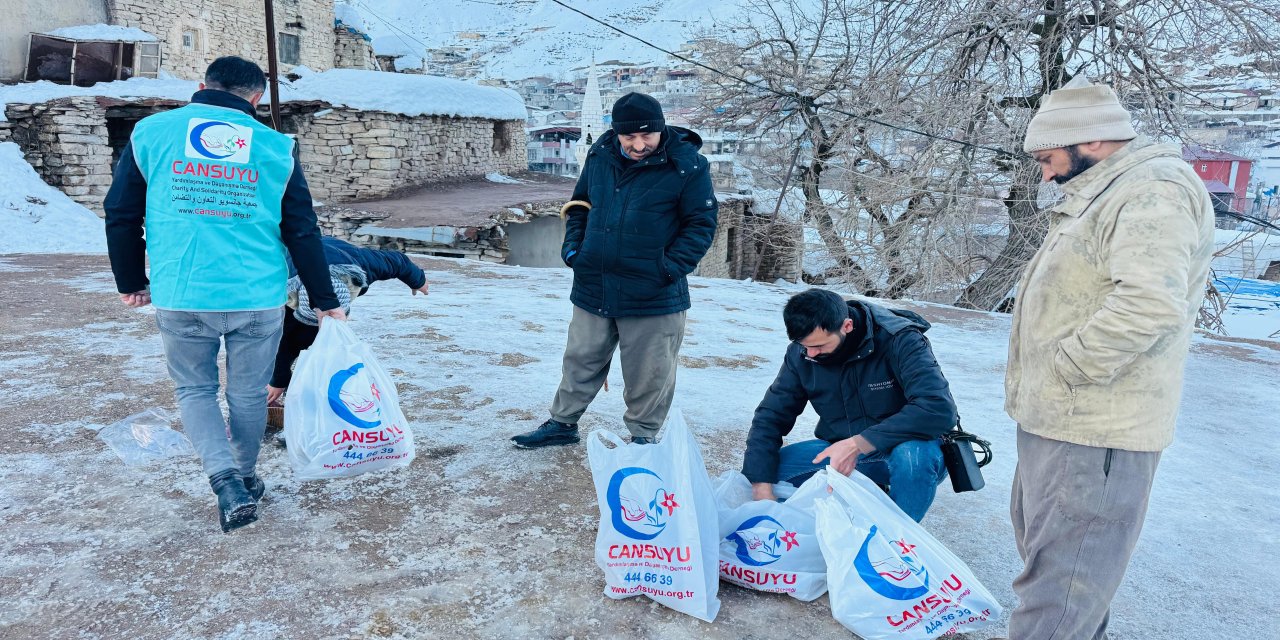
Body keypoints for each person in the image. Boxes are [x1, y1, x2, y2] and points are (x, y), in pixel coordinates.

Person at [1005, 76, 1215, 639]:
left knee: (1059, 592)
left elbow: (1147, 305)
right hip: (1063, 420)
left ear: (1091, 140)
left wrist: (1070, 368)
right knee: (1061, 580)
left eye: (1048, 158)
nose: (1045, 175)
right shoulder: (1109, 190)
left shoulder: (1152, 190)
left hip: (1095, 427)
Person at [104, 56, 345, 533]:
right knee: (249, 393)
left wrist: (130, 279)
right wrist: (324, 299)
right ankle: (246, 475)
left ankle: (225, 481)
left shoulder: (152, 133)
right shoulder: (276, 146)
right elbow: (302, 230)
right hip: (258, 294)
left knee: (195, 389)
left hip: (182, 290)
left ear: (202, 85)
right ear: (256, 98)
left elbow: (121, 213)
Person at [511, 92, 718, 448]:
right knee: (581, 359)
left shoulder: (688, 165)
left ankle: (643, 437)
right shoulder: (601, 154)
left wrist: (667, 269)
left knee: (650, 370)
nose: (638, 145)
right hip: (595, 280)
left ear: (660, 128)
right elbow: (580, 204)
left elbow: (701, 224)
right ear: (617, 133)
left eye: (646, 135)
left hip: (654, 289)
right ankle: (562, 424)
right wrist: (574, 250)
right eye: (629, 136)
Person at [741, 289, 957, 523]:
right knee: (763, 472)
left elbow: (937, 408)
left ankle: (895, 537)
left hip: (906, 450)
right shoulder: (801, 353)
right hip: (841, 449)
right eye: (804, 345)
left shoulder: (900, 339)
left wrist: (857, 444)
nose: (811, 354)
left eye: (820, 346)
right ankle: (845, 509)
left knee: (912, 458)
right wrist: (761, 486)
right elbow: (771, 416)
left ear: (847, 326)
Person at [267, 236, 429, 425]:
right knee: (294, 337)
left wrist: (418, 280)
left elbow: (398, 261)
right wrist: (278, 379)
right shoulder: (278, 282)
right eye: (319, 321)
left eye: (331, 318)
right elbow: (284, 342)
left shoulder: (364, 266)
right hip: (295, 264)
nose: (322, 327)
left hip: (337, 255)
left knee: (333, 341)